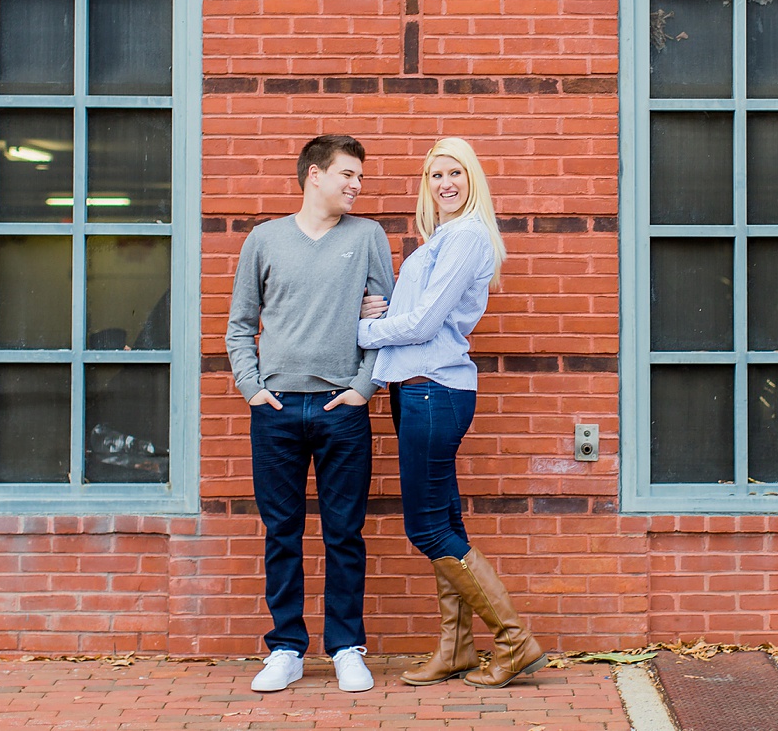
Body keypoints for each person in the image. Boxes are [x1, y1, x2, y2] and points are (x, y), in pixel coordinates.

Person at [358, 137, 548, 688]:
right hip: (420, 390)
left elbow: (420, 326)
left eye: (456, 173)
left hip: (433, 393)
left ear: (472, 181)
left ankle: (514, 641)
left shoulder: (464, 236)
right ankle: (458, 648)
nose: (445, 183)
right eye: (436, 174)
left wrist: (363, 327)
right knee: (445, 521)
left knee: (425, 527)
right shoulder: (443, 237)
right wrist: (386, 310)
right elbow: (416, 314)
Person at [226, 134, 394, 694]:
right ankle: (287, 648)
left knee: (345, 532)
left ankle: (346, 646)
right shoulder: (263, 240)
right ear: (314, 175)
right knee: (283, 531)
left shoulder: (368, 237)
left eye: (360, 178)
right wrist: (252, 388)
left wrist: (363, 388)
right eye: (347, 174)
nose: (356, 186)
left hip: (340, 408)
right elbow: (240, 324)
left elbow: (383, 327)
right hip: (275, 409)